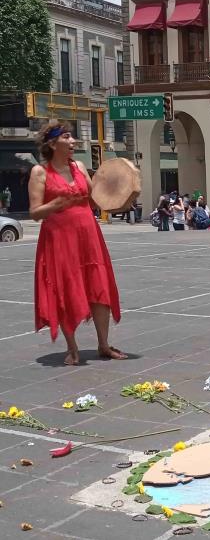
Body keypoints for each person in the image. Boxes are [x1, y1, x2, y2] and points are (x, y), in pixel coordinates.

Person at [28, 120, 126, 365]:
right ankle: (73, 349)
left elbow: (95, 200)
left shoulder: (80, 166)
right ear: (52, 143)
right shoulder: (40, 172)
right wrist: (53, 205)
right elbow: (35, 212)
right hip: (59, 240)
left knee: (98, 286)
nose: (73, 142)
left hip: (88, 236)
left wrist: (121, 193)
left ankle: (103, 344)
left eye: (72, 137)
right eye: (67, 137)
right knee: (65, 288)